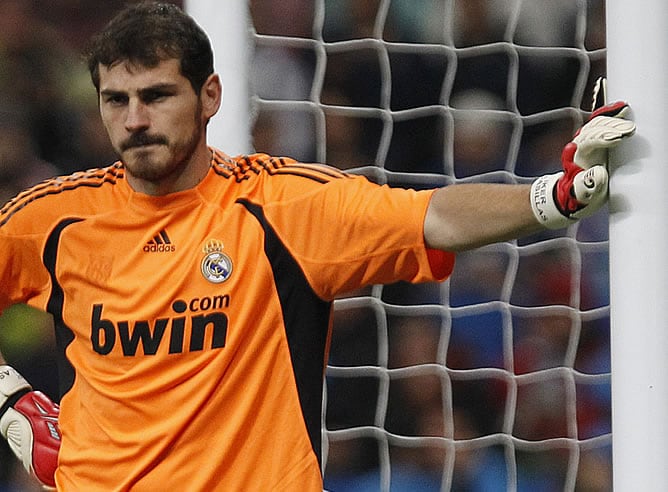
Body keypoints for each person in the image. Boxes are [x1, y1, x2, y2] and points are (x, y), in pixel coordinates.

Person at [0, 2, 635, 491]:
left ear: (209, 96)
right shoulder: (54, 219)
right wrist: (12, 402)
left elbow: (431, 216)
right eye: (117, 100)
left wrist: (556, 195)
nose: (135, 119)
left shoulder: (284, 206)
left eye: (157, 95)